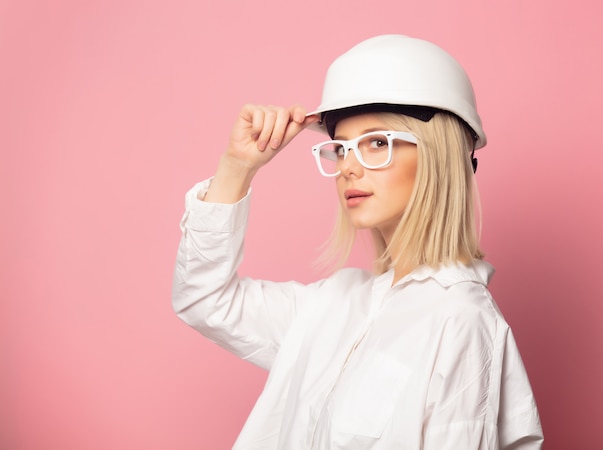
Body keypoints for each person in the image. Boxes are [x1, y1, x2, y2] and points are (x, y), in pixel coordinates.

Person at [172, 34, 543, 449]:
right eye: (342, 147)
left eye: (378, 142)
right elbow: (204, 299)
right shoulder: (335, 303)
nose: (349, 166)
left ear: (440, 155)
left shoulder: (461, 320)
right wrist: (236, 168)